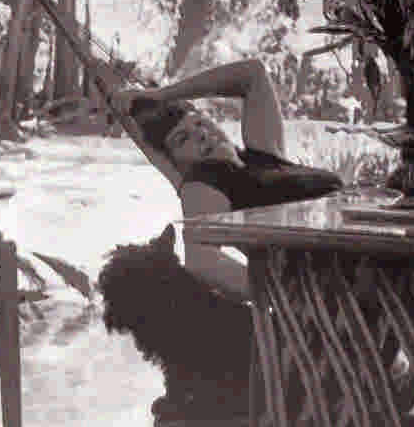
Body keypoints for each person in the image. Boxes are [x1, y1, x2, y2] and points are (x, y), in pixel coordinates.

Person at [110, 57, 344, 299]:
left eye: (200, 123)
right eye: (183, 139)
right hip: (353, 276)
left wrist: (161, 94)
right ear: (175, 162)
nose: (200, 134)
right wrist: (289, 297)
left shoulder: (263, 153)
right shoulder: (204, 185)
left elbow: (253, 73)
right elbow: (202, 263)